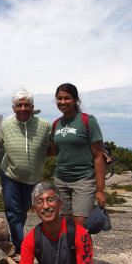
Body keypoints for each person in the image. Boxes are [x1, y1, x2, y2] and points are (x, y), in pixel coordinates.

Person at [0, 88, 52, 256]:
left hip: (32, 178)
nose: (23, 109)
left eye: (26, 105)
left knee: (22, 212)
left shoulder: (44, 125)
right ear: (13, 108)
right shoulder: (5, 125)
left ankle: (17, 243)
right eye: (19, 105)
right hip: (10, 174)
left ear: (32, 106)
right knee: (13, 212)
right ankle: (21, 248)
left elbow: (58, 145)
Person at [50, 83, 106, 227]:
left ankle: (84, 251)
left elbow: (98, 155)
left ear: (75, 99)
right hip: (60, 180)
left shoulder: (88, 121)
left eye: (67, 98)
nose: (62, 102)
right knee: (64, 225)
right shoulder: (56, 124)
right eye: (59, 98)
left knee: (81, 227)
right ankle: (66, 251)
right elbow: (50, 151)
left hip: (83, 180)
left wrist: (100, 190)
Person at [17, 182, 93, 264]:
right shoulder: (31, 239)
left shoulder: (79, 234)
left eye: (50, 200)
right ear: (35, 209)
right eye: (39, 201)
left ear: (60, 204)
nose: (46, 206)